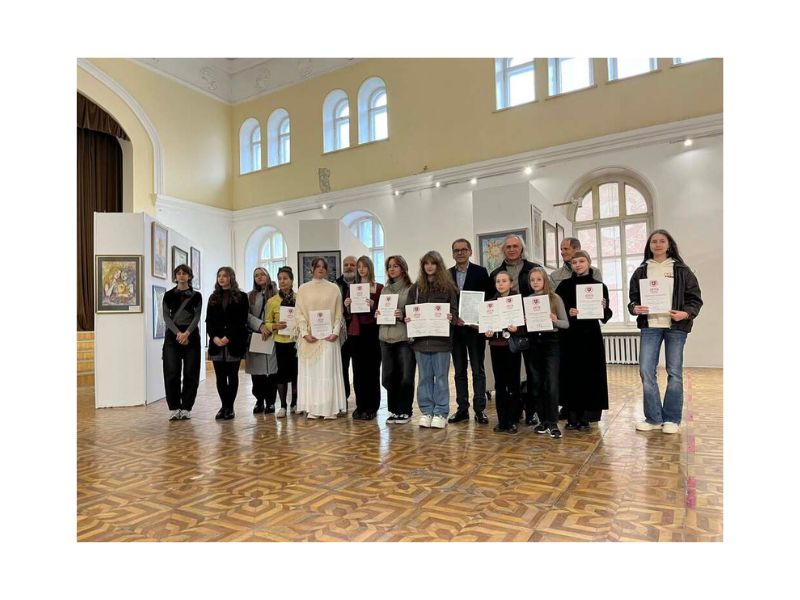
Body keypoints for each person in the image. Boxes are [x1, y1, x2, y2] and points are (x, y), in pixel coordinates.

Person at [628, 230, 703, 434]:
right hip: (650, 326)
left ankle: (671, 419)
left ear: (669, 245)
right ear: (649, 245)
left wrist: (686, 313)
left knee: (674, 372)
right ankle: (653, 418)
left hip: (675, 327)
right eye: (654, 241)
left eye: (662, 241)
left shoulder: (682, 270)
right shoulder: (641, 270)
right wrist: (634, 308)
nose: (658, 244)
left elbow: (695, 299)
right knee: (646, 370)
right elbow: (633, 300)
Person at [555, 251, 612, 430]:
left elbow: (606, 315)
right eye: (574, 262)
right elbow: (555, 310)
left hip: (590, 337)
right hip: (570, 336)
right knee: (571, 375)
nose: (578, 265)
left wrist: (603, 308)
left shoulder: (599, 286)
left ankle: (587, 416)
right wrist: (568, 311)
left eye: (581, 261)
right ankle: (571, 416)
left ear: (588, 262)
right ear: (571, 265)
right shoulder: (564, 286)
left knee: (590, 374)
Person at [406, 251, 458, 429]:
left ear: (439, 265)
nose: (429, 267)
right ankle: (426, 411)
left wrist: (452, 317)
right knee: (424, 378)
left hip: (441, 342)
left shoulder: (448, 288)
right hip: (421, 342)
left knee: (441, 378)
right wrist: (407, 318)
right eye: (426, 263)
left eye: (433, 263)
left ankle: (441, 412)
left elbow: (455, 311)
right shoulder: (416, 288)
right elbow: (408, 310)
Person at [295, 257, 347, 419]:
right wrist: (305, 333)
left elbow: (338, 313)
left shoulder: (333, 288)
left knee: (327, 372)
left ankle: (330, 408)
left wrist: (335, 332)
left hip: (329, 337)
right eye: (317, 266)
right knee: (312, 374)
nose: (320, 269)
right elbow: (299, 313)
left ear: (327, 270)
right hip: (310, 338)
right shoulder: (303, 289)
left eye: (324, 267)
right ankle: (313, 409)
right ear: (312, 269)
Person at [448, 238, 492, 425]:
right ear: (452, 253)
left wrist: (481, 320)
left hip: (475, 329)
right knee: (459, 371)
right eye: (456, 250)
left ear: (470, 252)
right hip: (456, 329)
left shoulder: (480, 272)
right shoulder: (447, 274)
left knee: (477, 370)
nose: (460, 253)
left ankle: (480, 410)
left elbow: (488, 298)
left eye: (463, 249)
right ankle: (462, 409)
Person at [523, 267, 569, 438]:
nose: (535, 283)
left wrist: (555, 321)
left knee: (551, 383)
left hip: (551, 343)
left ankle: (553, 422)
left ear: (545, 281)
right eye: (532, 280)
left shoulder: (554, 298)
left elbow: (566, 324)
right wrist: (525, 322)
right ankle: (543, 421)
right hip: (533, 343)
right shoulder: (527, 300)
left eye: (539, 279)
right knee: (536, 383)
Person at [206, 266, 249, 420]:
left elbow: (241, 320)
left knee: (232, 375)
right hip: (216, 343)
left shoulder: (241, 297)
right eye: (219, 276)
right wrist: (214, 337)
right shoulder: (213, 297)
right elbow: (209, 321)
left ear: (231, 277)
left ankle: (230, 407)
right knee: (220, 377)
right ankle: (224, 406)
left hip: (234, 342)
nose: (221, 278)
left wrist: (228, 337)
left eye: (224, 275)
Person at [376, 255, 415, 424]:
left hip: (403, 337)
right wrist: (378, 313)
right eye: (389, 266)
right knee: (388, 376)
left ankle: (405, 410)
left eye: (395, 266)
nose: (391, 269)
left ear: (403, 268)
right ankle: (393, 410)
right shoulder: (385, 290)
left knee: (405, 376)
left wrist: (403, 314)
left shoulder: (411, 289)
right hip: (385, 337)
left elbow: (415, 312)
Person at [343, 256, 384, 420]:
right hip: (356, 333)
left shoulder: (379, 288)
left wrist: (374, 305)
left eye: (364, 266)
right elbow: (347, 315)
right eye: (359, 266)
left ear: (370, 268)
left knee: (371, 371)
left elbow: (384, 311)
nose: (361, 269)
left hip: (372, 333)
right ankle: (360, 405)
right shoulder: (352, 288)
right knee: (358, 372)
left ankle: (372, 406)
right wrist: (347, 306)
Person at [484, 272, 524, 434]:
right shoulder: (490, 303)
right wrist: (487, 333)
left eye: (504, 281)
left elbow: (524, 326)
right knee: (499, 384)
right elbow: (486, 326)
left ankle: (513, 419)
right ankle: (502, 421)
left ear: (511, 283)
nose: (500, 284)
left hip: (512, 346)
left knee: (513, 383)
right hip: (496, 346)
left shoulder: (517, 301)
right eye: (498, 281)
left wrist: (517, 329)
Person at [161, 264, 202, 421]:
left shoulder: (196, 296)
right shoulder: (168, 295)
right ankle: (174, 408)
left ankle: (186, 407)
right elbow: (166, 316)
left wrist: (187, 333)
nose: (181, 275)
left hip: (191, 335)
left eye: (184, 273)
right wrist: (178, 333)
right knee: (171, 372)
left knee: (191, 372)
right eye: (178, 273)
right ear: (175, 276)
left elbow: (197, 316)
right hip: (173, 335)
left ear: (189, 276)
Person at [264, 266, 299, 418]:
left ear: (292, 280)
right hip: (280, 342)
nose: (282, 281)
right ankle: (283, 405)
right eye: (280, 279)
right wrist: (275, 326)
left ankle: (295, 403)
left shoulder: (299, 298)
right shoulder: (272, 301)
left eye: (285, 278)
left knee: (296, 373)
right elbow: (266, 322)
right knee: (281, 375)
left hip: (296, 342)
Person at [245, 267, 278, 414]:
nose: (259, 277)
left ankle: (271, 402)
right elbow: (246, 315)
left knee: (272, 373)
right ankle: (259, 401)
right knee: (257, 373)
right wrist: (260, 325)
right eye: (256, 275)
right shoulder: (249, 296)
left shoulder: (276, 294)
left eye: (262, 274)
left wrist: (270, 327)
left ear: (268, 276)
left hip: (272, 336)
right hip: (256, 336)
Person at [335, 255, 358, 405]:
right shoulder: (335, 285)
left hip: (358, 332)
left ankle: (360, 398)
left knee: (358, 367)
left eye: (352, 265)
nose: (349, 267)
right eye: (346, 264)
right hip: (341, 332)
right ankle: (343, 397)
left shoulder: (363, 284)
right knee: (341, 366)